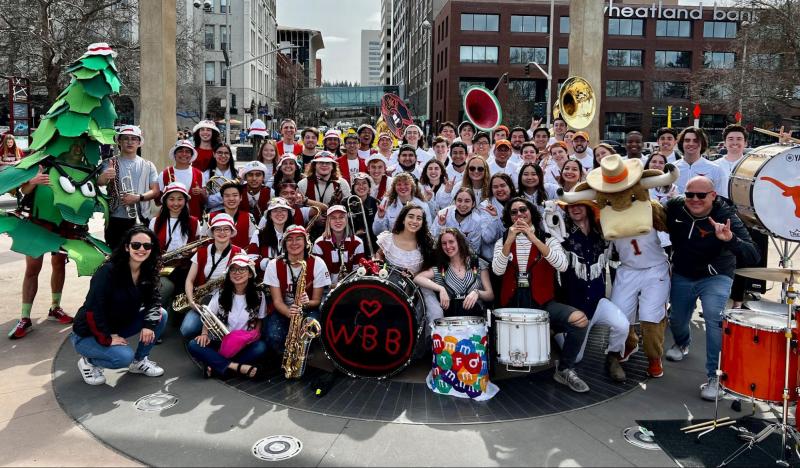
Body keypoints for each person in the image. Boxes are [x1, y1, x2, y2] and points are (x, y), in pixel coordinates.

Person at [664, 176, 759, 400]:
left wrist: (730, 239)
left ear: (713, 196)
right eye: (689, 194)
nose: (694, 199)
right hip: (683, 274)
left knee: (715, 318)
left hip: (716, 275)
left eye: (701, 195)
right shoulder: (676, 207)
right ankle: (682, 343)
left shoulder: (727, 217)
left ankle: (716, 377)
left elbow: (753, 254)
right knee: (677, 319)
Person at [492, 197, 590, 393]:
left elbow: (562, 266)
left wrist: (534, 238)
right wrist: (510, 239)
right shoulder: (502, 241)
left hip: (542, 300)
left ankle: (564, 369)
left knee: (580, 320)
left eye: (523, 210)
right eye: (514, 212)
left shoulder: (548, 239)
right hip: (513, 302)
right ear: (509, 217)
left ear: (531, 213)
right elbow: (498, 270)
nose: (519, 215)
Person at [70, 226, 167, 385]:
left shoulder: (147, 271)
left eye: (147, 246)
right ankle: (89, 362)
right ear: (127, 247)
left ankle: (139, 361)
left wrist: (149, 325)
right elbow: (93, 311)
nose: (141, 249)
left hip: (117, 326)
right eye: (136, 245)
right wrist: (106, 338)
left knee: (161, 314)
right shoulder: (108, 272)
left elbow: (154, 301)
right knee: (122, 358)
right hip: (88, 333)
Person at [558, 200, 629, 382]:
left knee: (622, 326)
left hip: (598, 301)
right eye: (570, 206)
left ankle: (613, 357)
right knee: (577, 357)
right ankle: (557, 332)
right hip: (575, 307)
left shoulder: (601, 232)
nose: (575, 208)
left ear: (589, 208)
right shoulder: (561, 233)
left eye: (580, 204)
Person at [187, 254, 268, 379]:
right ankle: (238, 368)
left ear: (250, 274)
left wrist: (254, 335)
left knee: (260, 347)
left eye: (242, 269)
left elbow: (259, 321)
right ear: (229, 274)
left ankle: (216, 366)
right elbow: (209, 315)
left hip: (243, 344)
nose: (237, 273)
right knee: (194, 344)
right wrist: (204, 334)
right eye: (233, 269)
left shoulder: (259, 296)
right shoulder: (220, 293)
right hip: (220, 341)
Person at [264, 225, 331, 354]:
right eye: (289, 239)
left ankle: (307, 357)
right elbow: (277, 301)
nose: (294, 243)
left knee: (313, 331)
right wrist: (289, 312)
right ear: (284, 244)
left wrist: (307, 303)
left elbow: (316, 300)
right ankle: (286, 358)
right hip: (284, 309)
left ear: (306, 242)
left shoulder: (318, 263)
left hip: (308, 309)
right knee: (274, 336)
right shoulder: (274, 265)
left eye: (298, 238)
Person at [181, 213, 244, 338]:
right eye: (218, 229)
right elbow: (189, 280)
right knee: (186, 330)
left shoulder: (240, 253)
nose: (222, 232)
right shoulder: (202, 252)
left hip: (227, 300)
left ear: (231, 232)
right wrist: (191, 301)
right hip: (203, 299)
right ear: (213, 232)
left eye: (226, 229)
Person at [414, 228, 494, 323]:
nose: (448, 246)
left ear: (459, 242)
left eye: (451, 242)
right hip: (451, 324)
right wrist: (440, 289)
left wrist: (477, 292)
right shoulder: (441, 268)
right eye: (444, 243)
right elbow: (417, 278)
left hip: (476, 322)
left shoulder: (477, 263)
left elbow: (490, 295)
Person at [103, 125, 160, 249]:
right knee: (115, 256)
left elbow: (155, 191)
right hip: (115, 219)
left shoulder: (148, 165)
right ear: (119, 141)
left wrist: (137, 198)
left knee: (139, 254)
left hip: (141, 217)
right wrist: (105, 175)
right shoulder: (110, 162)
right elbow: (99, 182)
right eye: (125, 138)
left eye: (134, 139)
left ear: (139, 142)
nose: (130, 142)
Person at [150, 182, 201, 307]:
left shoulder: (194, 222)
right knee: (163, 291)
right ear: (165, 201)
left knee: (178, 304)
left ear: (185, 201)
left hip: (185, 269)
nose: (176, 203)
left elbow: (199, 245)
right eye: (171, 199)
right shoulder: (155, 222)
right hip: (161, 268)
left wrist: (192, 251)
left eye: (180, 199)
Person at [312, 205, 365, 287]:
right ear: (328, 221)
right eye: (333, 218)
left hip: (350, 287)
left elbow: (357, 272)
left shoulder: (357, 242)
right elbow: (318, 275)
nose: (338, 221)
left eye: (341, 217)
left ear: (346, 220)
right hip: (326, 289)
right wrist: (332, 286)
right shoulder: (319, 243)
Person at [674, 127, 728, 196]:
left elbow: (721, 197)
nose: (691, 143)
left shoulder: (715, 169)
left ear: (702, 143)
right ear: (682, 143)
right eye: (687, 140)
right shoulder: (672, 168)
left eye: (695, 141)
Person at [159, 140, 205, 218]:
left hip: (194, 218)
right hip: (170, 219)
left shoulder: (199, 174)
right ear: (175, 154)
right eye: (180, 151)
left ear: (191, 155)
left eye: (187, 151)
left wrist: (202, 193)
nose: (184, 154)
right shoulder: (164, 174)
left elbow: (204, 200)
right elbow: (158, 201)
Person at [249, 197, 293, 277]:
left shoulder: (294, 234)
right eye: (275, 210)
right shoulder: (258, 234)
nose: (279, 213)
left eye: (283, 210)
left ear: (288, 214)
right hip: (265, 280)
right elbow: (251, 259)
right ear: (269, 215)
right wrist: (268, 263)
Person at [432, 187, 484, 254]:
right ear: (455, 202)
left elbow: (474, 248)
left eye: (467, 201)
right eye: (459, 200)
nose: (462, 205)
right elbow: (432, 239)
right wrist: (440, 225)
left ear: (473, 204)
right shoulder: (443, 214)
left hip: (463, 256)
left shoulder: (476, 221)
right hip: (442, 253)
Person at [480, 173, 517, 261]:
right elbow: (487, 238)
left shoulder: (520, 203)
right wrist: (494, 218)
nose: (499, 189)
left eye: (503, 185)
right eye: (495, 187)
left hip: (518, 255)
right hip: (493, 258)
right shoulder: (486, 206)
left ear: (510, 186)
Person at [349, 172, 379, 254]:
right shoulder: (346, 202)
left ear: (369, 186)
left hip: (372, 244)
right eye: (357, 184)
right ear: (353, 187)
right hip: (351, 243)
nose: (361, 186)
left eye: (364, 183)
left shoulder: (375, 202)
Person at [203, 144, 236, 212]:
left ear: (230, 155)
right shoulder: (206, 175)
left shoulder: (236, 174)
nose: (223, 155)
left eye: (226, 153)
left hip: (234, 211)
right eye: (220, 153)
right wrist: (228, 195)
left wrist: (217, 197)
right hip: (213, 213)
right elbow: (207, 203)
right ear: (214, 154)